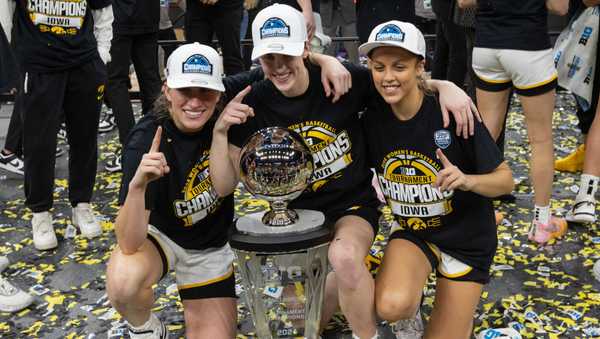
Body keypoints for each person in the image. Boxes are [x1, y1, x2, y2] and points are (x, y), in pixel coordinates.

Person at [214, 5, 479, 338]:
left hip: (351, 207)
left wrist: (444, 86)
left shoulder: (343, 80)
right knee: (302, 325)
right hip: (296, 220)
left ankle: (366, 333)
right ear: (259, 59)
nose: (279, 67)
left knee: (345, 256)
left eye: (288, 56)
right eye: (270, 58)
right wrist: (220, 131)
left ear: (305, 48)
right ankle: (353, 279)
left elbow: (400, 79)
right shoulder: (250, 97)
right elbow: (197, 111)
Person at [106, 40, 355, 338]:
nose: (195, 102)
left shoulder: (229, 99)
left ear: (219, 92)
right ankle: (143, 327)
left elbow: (275, 67)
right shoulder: (145, 141)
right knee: (124, 281)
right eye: (185, 91)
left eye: (205, 92)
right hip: (160, 238)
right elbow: (129, 243)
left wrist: (323, 59)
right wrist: (138, 187)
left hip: (210, 248)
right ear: (167, 90)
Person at [359, 20, 514, 338]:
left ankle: (460, 321)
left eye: (399, 66)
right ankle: (411, 310)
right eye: (379, 67)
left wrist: (467, 180)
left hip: (467, 241)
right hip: (416, 232)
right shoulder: (371, 116)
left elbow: (505, 181)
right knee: (390, 305)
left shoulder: (454, 113)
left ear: (420, 66)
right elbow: (317, 69)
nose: (388, 77)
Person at [2, 0, 113, 251]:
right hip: (39, 65)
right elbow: (5, 8)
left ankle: (82, 205)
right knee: (38, 143)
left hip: (84, 63)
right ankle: (40, 213)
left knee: (84, 139)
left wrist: (102, 55)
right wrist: (17, 55)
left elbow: (103, 10)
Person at [458, 0, 570, 244]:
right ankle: (542, 224)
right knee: (540, 139)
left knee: (485, 135)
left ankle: (478, 216)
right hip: (528, 47)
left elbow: (464, 2)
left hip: (487, 46)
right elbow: (560, 7)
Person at [105, 0, 162, 173]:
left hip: (119, 17)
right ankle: (156, 138)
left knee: (116, 82)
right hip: (147, 15)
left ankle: (131, 146)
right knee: (150, 79)